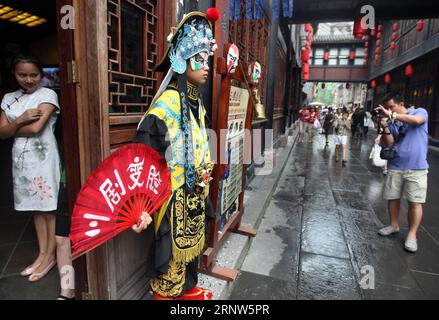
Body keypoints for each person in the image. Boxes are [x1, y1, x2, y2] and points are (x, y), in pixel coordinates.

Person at [132, 11, 217, 300]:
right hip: (170, 197)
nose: (205, 66)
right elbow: (144, 158)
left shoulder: (197, 104)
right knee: (170, 255)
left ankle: (186, 291)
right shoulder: (164, 108)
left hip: (194, 191)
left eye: (207, 59)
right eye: (199, 59)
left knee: (191, 251)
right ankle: (167, 295)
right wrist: (142, 204)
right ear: (181, 61)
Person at [0, 55, 74, 298]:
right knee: (35, 210)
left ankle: (50, 258)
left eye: (33, 74)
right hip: (22, 163)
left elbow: (36, 128)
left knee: (49, 209)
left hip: (44, 160)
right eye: (23, 75)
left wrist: (14, 127)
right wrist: (20, 119)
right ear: (15, 74)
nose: (29, 79)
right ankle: (42, 255)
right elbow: (2, 133)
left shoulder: (47, 95)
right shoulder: (8, 99)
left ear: (41, 74)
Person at [375, 92, 429, 253]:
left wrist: (392, 115)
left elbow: (417, 121)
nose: (388, 110)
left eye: (391, 107)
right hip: (396, 164)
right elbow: (391, 142)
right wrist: (384, 124)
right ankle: (393, 225)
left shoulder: (419, 112)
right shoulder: (392, 120)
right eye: (386, 108)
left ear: (401, 104)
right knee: (393, 197)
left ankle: (412, 235)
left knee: (415, 201)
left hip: (416, 167)